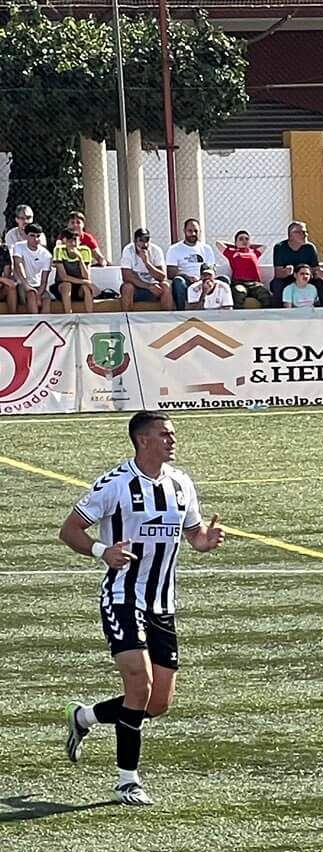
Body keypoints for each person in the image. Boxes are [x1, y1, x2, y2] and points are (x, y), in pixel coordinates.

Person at [58, 412, 225, 807]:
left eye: (173, 434)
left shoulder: (181, 483)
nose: (172, 440)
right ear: (143, 440)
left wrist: (205, 540)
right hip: (122, 597)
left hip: (162, 604)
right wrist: (103, 551)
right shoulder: (116, 484)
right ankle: (126, 781)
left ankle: (84, 717)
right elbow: (69, 530)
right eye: (165, 434)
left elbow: (194, 535)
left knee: (157, 704)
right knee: (138, 685)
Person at [164, 218, 221, 309]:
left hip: (204, 279)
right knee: (178, 281)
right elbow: (171, 272)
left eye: (196, 231)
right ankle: (182, 312)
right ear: (184, 231)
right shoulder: (174, 249)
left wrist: (203, 278)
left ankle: (224, 313)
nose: (193, 234)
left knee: (224, 279)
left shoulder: (206, 248)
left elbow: (212, 268)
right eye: (190, 231)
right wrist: (188, 277)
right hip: (186, 281)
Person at [270, 221, 323, 304]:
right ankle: (277, 313)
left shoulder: (310, 247)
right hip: (288, 278)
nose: (305, 235)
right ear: (290, 235)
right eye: (300, 232)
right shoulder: (280, 247)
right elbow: (278, 273)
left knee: (322, 283)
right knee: (277, 284)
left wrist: (319, 273)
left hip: (305, 277)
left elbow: (315, 269)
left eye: (305, 232)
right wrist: (286, 272)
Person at [119, 228, 172, 312]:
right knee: (127, 287)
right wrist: (148, 286)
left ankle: (166, 317)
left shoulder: (156, 250)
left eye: (147, 240)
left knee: (166, 286)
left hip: (155, 288)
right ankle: (127, 317)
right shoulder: (128, 250)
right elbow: (126, 276)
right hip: (137, 287)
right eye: (141, 240)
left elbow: (162, 276)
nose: (144, 244)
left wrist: (147, 263)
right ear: (135, 241)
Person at [50, 221, 94, 314]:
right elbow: (63, 277)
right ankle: (68, 315)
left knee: (86, 288)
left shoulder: (85, 250)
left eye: (75, 240)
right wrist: (83, 281)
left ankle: (90, 317)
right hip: (62, 287)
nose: (73, 243)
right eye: (70, 240)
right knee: (67, 285)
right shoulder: (59, 250)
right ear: (64, 241)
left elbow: (86, 276)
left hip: (79, 287)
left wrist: (80, 258)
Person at [10, 224, 51, 313]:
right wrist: (26, 285)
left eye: (38, 236)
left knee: (46, 299)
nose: (35, 239)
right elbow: (18, 265)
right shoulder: (18, 246)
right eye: (32, 236)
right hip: (21, 284)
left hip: (38, 286)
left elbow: (44, 280)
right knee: (31, 294)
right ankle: (34, 323)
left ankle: (44, 325)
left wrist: (39, 295)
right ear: (26, 236)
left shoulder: (46, 255)